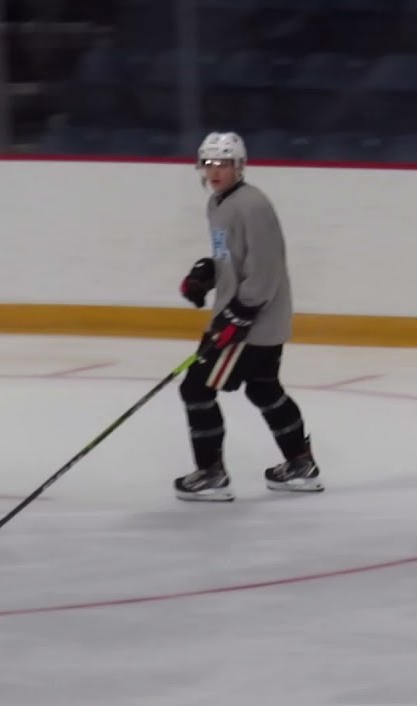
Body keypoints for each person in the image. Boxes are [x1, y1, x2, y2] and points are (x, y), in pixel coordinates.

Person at [173, 131, 322, 501]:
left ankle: (210, 473)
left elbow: (266, 269)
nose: (215, 170)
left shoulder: (252, 205)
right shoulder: (219, 203)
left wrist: (239, 314)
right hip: (253, 319)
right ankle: (300, 466)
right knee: (263, 387)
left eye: (224, 163)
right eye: (209, 163)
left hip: (251, 324)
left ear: (239, 166)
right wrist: (208, 273)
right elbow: (235, 257)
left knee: (196, 388)